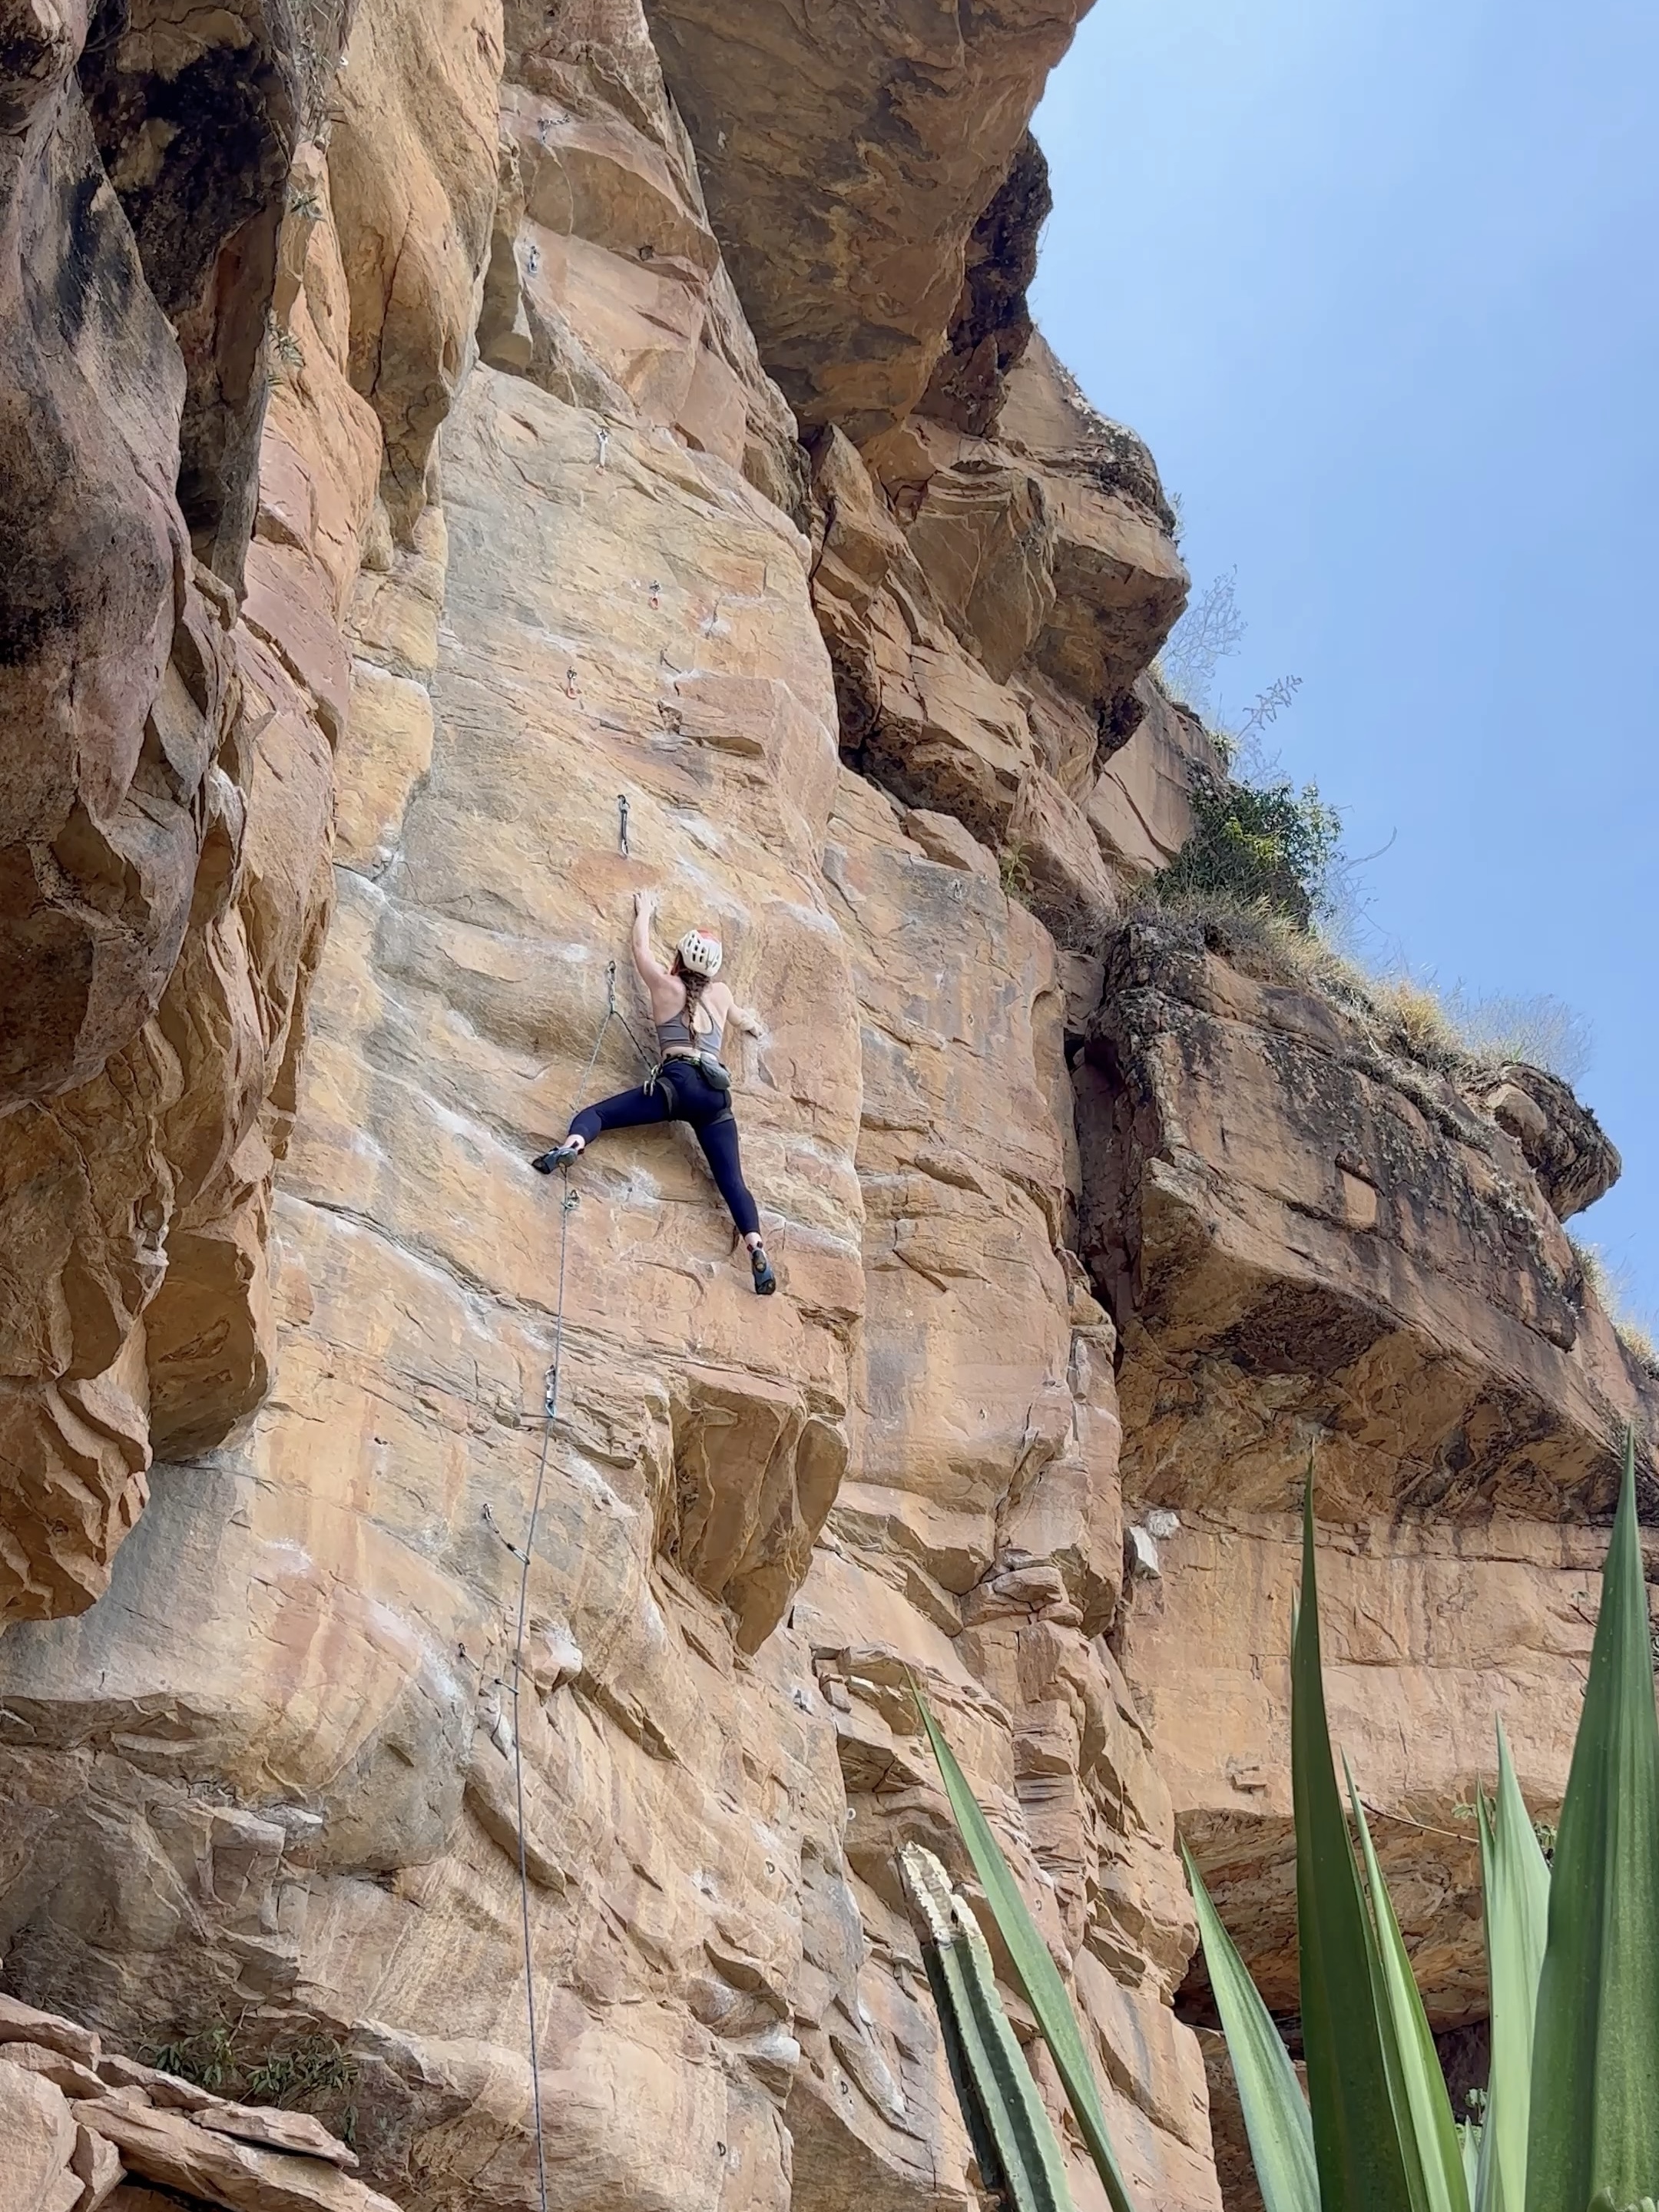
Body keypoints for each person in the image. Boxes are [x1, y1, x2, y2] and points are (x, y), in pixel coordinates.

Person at [531, 892, 777, 1294]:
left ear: (679, 957)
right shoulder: (723, 994)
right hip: (715, 1096)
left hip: (675, 1085)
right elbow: (741, 1019)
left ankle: (573, 1147)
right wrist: (753, 1028)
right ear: (713, 969)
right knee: (732, 1180)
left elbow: (639, 948)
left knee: (599, 1116)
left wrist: (645, 912)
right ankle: (756, 1248)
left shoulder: (664, 985)